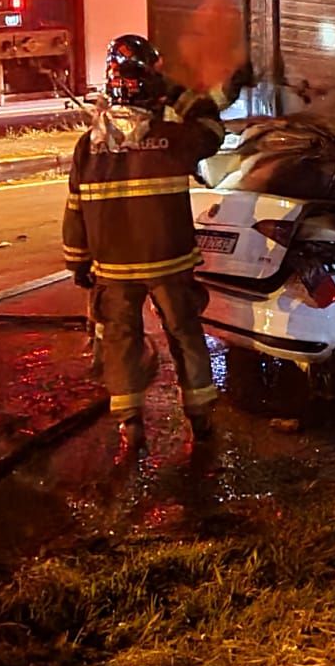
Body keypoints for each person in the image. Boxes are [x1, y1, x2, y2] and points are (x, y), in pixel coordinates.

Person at [62, 40, 227, 438]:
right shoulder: (172, 138)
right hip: (169, 261)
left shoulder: (89, 146)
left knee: (120, 339)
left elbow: (74, 211)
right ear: (152, 83)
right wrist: (177, 91)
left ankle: (130, 421)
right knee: (185, 332)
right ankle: (201, 413)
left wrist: (78, 263)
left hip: (114, 268)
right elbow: (213, 129)